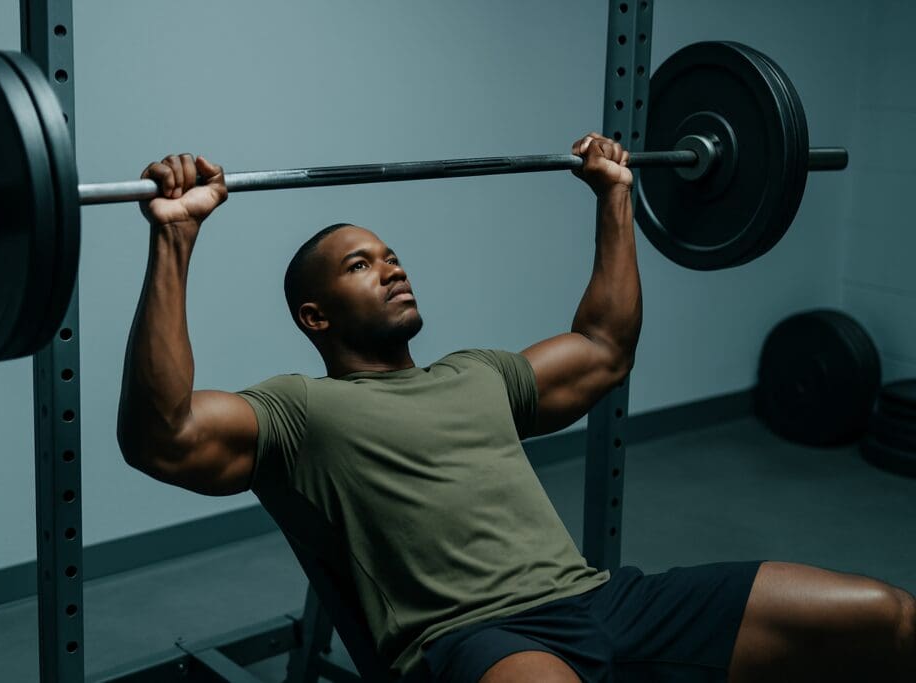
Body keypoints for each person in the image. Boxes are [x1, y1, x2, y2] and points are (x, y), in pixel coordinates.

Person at [116, 135, 915, 683]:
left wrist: (615, 194)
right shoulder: (297, 411)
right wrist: (175, 240)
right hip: (474, 638)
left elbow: (604, 347)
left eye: (393, 258)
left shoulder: (479, 374)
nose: (393, 271)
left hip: (607, 599)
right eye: (362, 265)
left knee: (885, 616)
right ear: (314, 315)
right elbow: (164, 435)